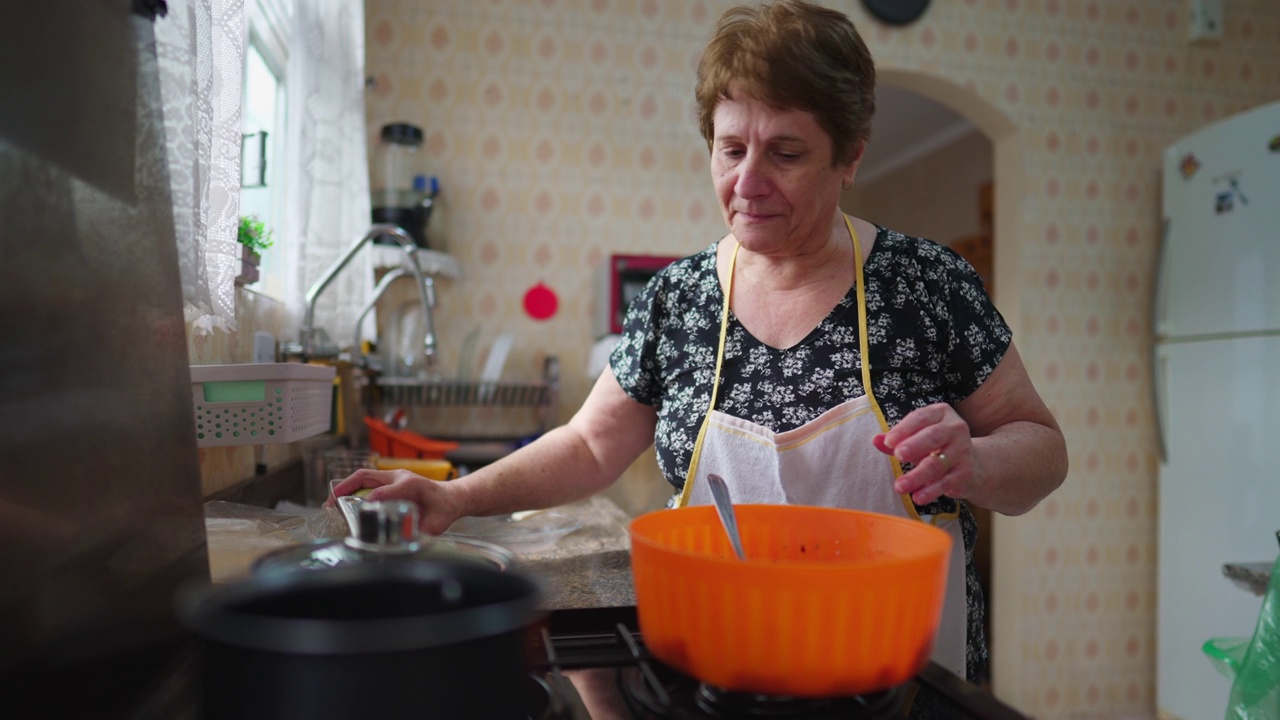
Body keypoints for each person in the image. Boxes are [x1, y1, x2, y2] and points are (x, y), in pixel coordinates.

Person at [331, 0, 1067, 704]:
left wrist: (978, 459)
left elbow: (1042, 449)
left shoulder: (926, 285)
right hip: (720, 678)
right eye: (730, 149)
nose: (747, 183)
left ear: (850, 158)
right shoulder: (677, 299)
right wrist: (456, 498)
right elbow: (590, 445)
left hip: (900, 676)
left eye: (785, 153)